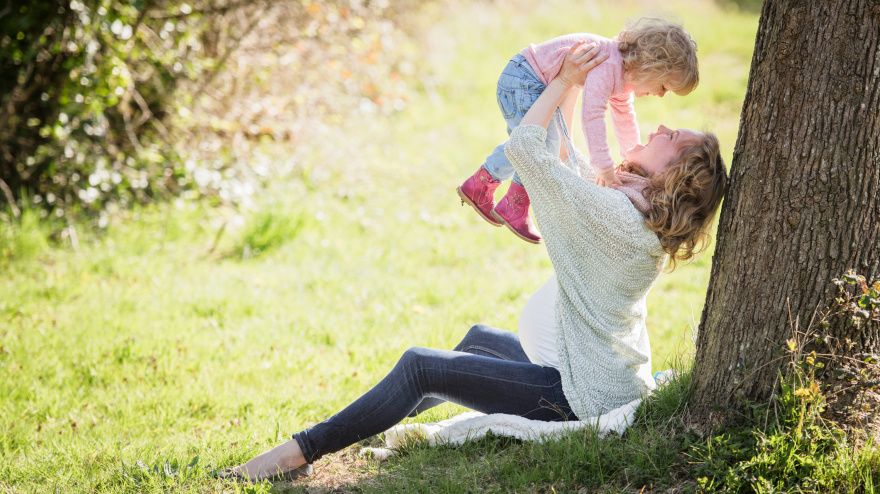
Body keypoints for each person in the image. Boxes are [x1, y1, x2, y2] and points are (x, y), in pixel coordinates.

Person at [218, 41, 726, 483]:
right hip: (591, 371)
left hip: (578, 394)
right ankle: (360, 425)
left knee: (421, 366)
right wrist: (573, 86)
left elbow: (528, 149)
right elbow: (568, 164)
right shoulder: (634, 213)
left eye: (674, 137)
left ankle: (297, 453)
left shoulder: (615, 216)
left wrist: (565, 82)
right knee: (478, 340)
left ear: (674, 176)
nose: (661, 125)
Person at [457, 17, 699, 244]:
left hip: (527, 79)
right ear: (651, 66)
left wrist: (631, 156)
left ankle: (482, 185)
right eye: (664, 86)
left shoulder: (623, 75)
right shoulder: (610, 65)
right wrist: (603, 166)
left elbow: (624, 117)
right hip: (524, 80)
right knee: (538, 143)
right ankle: (513, 203)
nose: (659, 94)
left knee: (536, 142)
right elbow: (592, 114)